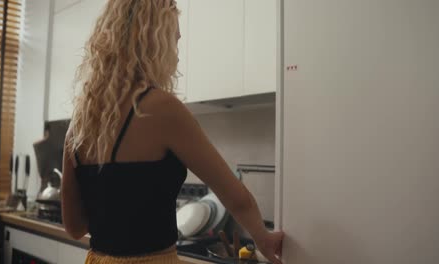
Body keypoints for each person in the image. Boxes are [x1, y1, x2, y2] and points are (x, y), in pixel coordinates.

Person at [61, 1, 284, 263]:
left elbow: (74, 228)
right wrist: (264, 238)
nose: (177, 54)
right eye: (175, 40)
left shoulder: (81, 122)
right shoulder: (161, 109)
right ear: (155, 41)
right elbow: (237, 198)